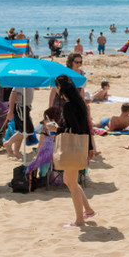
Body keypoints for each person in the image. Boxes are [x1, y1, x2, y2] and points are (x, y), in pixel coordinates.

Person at [54, 75, 97, 228]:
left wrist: (56, 129)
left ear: (59, 88)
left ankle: (79, 220)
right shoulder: (79, 103)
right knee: (69, 181)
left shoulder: (69, 106)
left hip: (72, 147)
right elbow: (85, 126)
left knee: (71, 182)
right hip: (81, 146)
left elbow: (74, 129)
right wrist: (90, 147)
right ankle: (88, 210)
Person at [3, 85, 34, 160]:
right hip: (21, 107)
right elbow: (13, 94)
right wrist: (10, 111)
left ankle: (16, 152)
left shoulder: (27, 80)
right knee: (28, 131)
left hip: (25, 107)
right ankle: (8, 143)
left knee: (20, 131)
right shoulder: (21, 82)